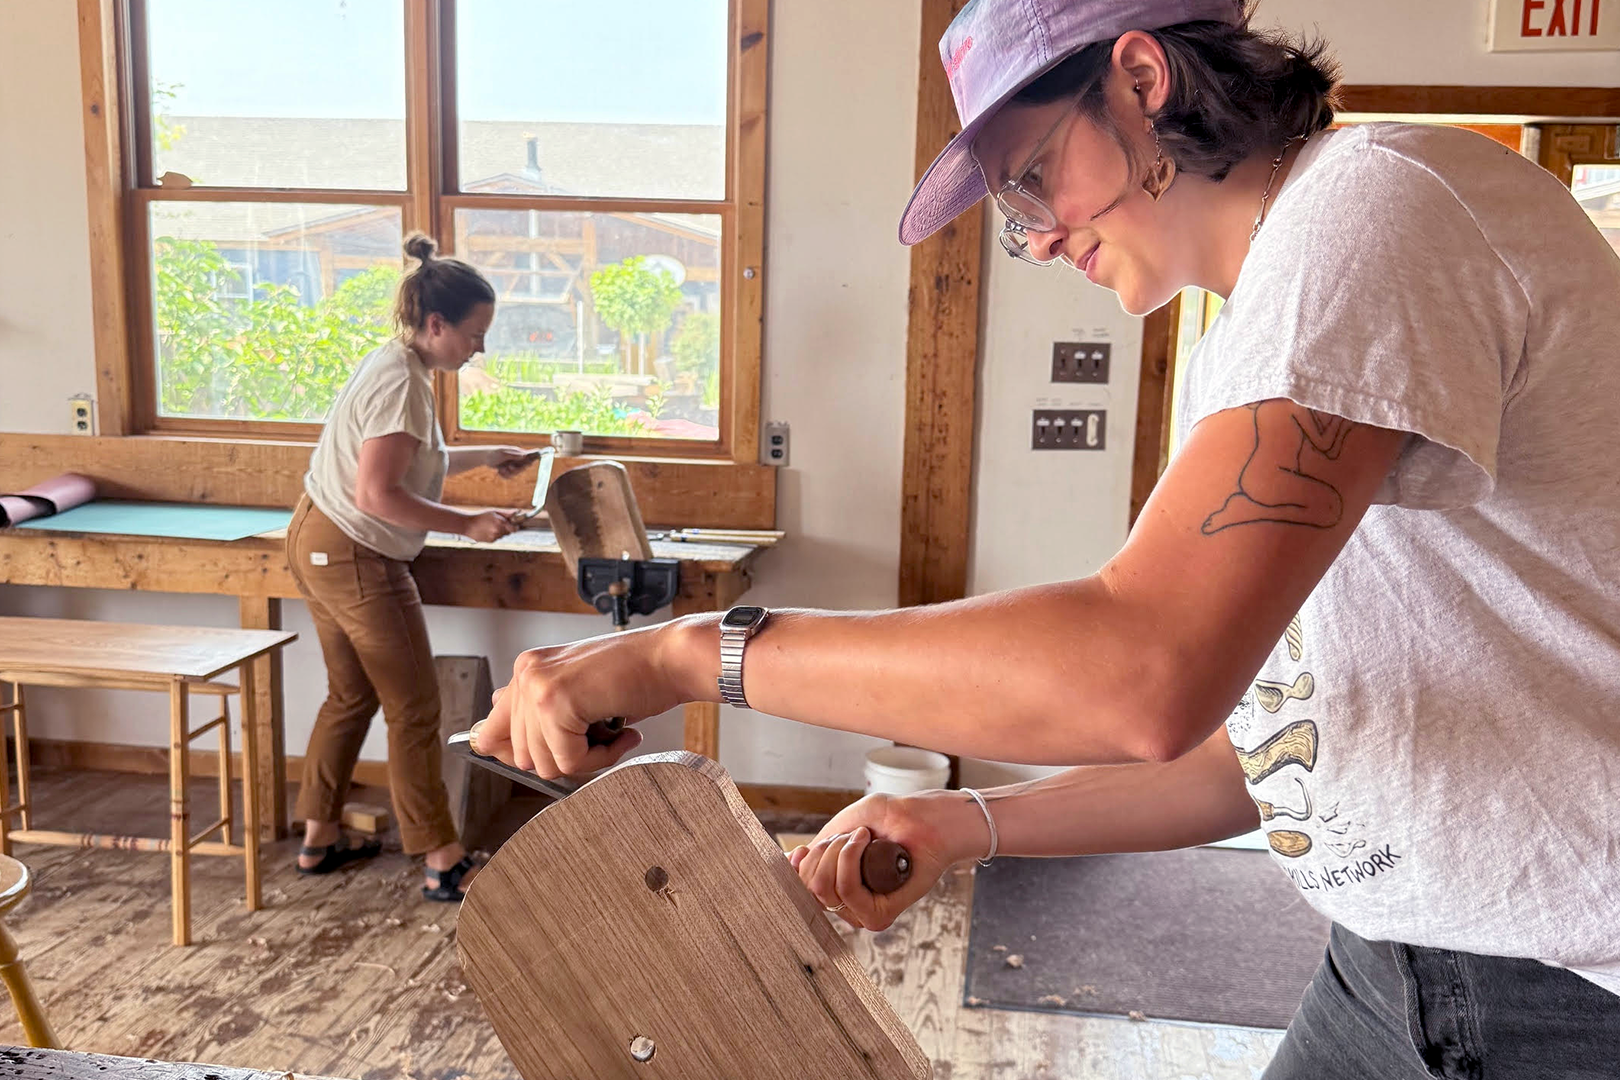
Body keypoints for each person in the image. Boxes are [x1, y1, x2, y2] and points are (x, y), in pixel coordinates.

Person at [469, 0, 1620, 1072]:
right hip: (1393, 965)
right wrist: (965, 819)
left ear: (1140, 76)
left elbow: (1143, 668)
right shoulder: (1260, 330)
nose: (1038, 236)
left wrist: (692, 651)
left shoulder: (1372, 209)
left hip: (1560, 995)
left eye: (1032, 178)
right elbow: (1271, 751)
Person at [289, 232, 532, 902]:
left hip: (320, 537)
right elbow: (379, 494)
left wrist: (485, 457)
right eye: (475, 333)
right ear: (436, 324)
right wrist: (471, 525)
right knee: (416, 707)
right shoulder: (402, 383)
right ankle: (442, 858)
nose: (479, 346)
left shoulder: (400, 366)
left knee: (351, 697)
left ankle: (319, 838)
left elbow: (408, 463)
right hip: (356, 551)